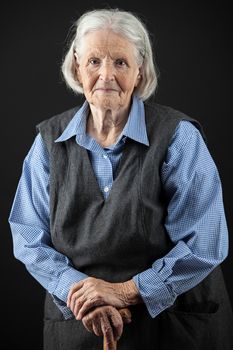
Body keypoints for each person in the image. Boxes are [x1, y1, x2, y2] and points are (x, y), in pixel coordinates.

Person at [8, 8, 233, 350]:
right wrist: (82, 295)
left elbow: (205, 241)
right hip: (81, 326)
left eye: (121, 63)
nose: (106, 74)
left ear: (140, 71)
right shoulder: (48, 143)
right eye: (95, 61)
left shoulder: (179, 137)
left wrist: (124, 292)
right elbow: (28, 237)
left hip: (174, 328)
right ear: (76, 66)